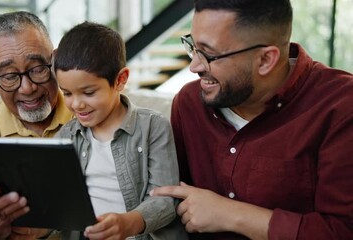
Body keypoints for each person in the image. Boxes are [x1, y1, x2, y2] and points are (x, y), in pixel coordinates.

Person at [150, 0, 353, 239]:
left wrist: (231, 214)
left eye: (209, 54)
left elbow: (343, 231)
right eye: (193, 46)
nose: (194, 66)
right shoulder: (189, 104)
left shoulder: (341, 108)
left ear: (266, 60)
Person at [53, 21, 188, 240]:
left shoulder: (153, 127)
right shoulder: (66, 136)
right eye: (67, 93)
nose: (76, 104)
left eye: (88, 92)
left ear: (120, 80)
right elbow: (57, 200)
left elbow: (165, 200)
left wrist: (127, 223)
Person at [0, 11, 73, 239]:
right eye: (10, 76)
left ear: (55, 61)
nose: (27, 88)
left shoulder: (89, 113)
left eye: (38, 68)